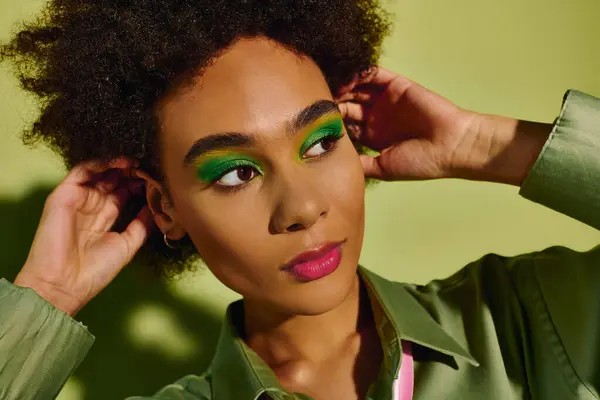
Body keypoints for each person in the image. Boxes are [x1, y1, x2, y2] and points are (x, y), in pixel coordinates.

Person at [0, 1, 598, 399]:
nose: (303, 208)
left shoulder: (521, 320)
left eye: (319, 141)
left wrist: (486, 143)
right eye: (236, 172)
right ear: (165, 208)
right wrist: (45, 297)